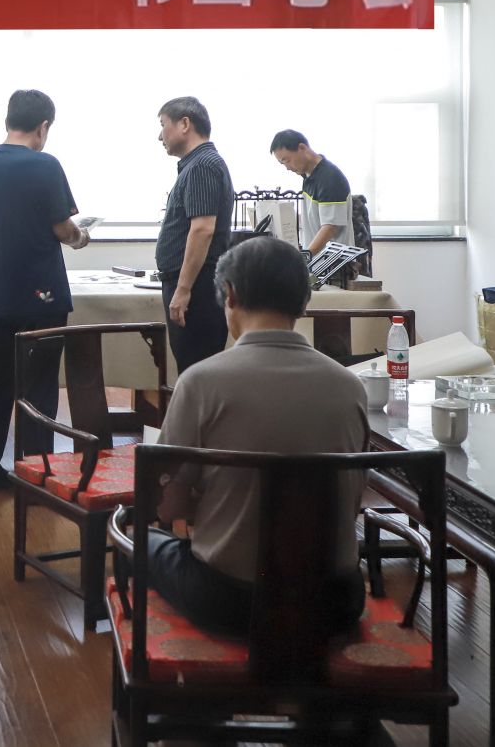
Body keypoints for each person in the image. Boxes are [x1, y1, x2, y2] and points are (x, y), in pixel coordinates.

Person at [150, 235, 369, 637]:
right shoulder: (350, 387)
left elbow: (167, 507)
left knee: (139, 544)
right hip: (336, 601)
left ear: (230, 294)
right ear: (304, 303)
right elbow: (351, 499)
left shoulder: (201, 382)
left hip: (233, 601)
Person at [0, 89, 91, 492]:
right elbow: (62, 228)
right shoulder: (45, 165)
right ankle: (36, 473)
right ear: (43, 127)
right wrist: (81, 237)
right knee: (39, 388)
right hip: (43, 296)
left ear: (8, 120)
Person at [155, 96, 235, 374]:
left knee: (196, 373)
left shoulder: (202, 166)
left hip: (198, 287)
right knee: (193, 370)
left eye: (163, 125)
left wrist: (183, 289)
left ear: (185, 124)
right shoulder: (197, 164)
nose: (160, 136)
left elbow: (202, 229)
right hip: (195, 283)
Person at [269, 129, 353, 257]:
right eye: (283, 163)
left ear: (302, 148)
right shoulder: (308, 176)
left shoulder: (329, 177)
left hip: (333, 263)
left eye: (287, 160)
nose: (287, 168)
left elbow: (330, 227)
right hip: (317, 259)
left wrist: (304, 257)